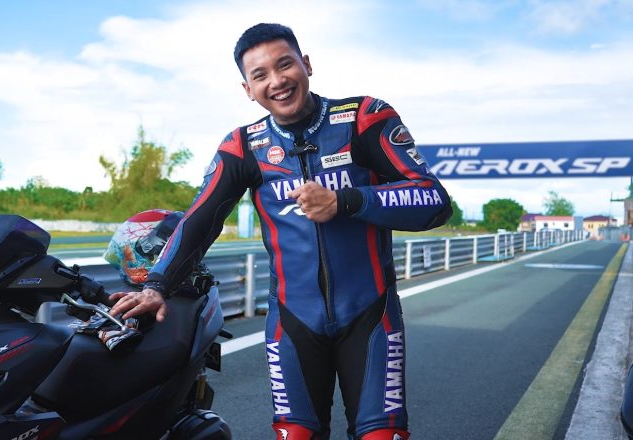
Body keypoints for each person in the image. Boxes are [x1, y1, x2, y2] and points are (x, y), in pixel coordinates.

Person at [109, 23, 451, 440]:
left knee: (382, 436)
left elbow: (434, 200)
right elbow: (200, 220)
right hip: (293, 322)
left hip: (371, 317)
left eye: (285, 65)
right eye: (261, 75)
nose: (277, 81)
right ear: (248, 89)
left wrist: (345, 201)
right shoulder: (242, 146)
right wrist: (156, 286)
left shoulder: (364, 117)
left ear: (306, 64)